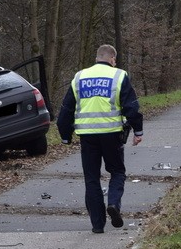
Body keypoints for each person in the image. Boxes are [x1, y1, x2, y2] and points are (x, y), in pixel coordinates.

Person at [57, 44, 144, 233]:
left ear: (97, 58)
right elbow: (131, 106)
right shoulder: (119, 76)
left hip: (87, 136)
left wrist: (65, 136)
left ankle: (97, 225)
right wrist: (138, 131)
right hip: (112, 133)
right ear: (112, 59)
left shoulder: (79, 77)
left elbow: (66, 109)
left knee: (91, 178)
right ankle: (113, 204)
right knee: (117, 172)